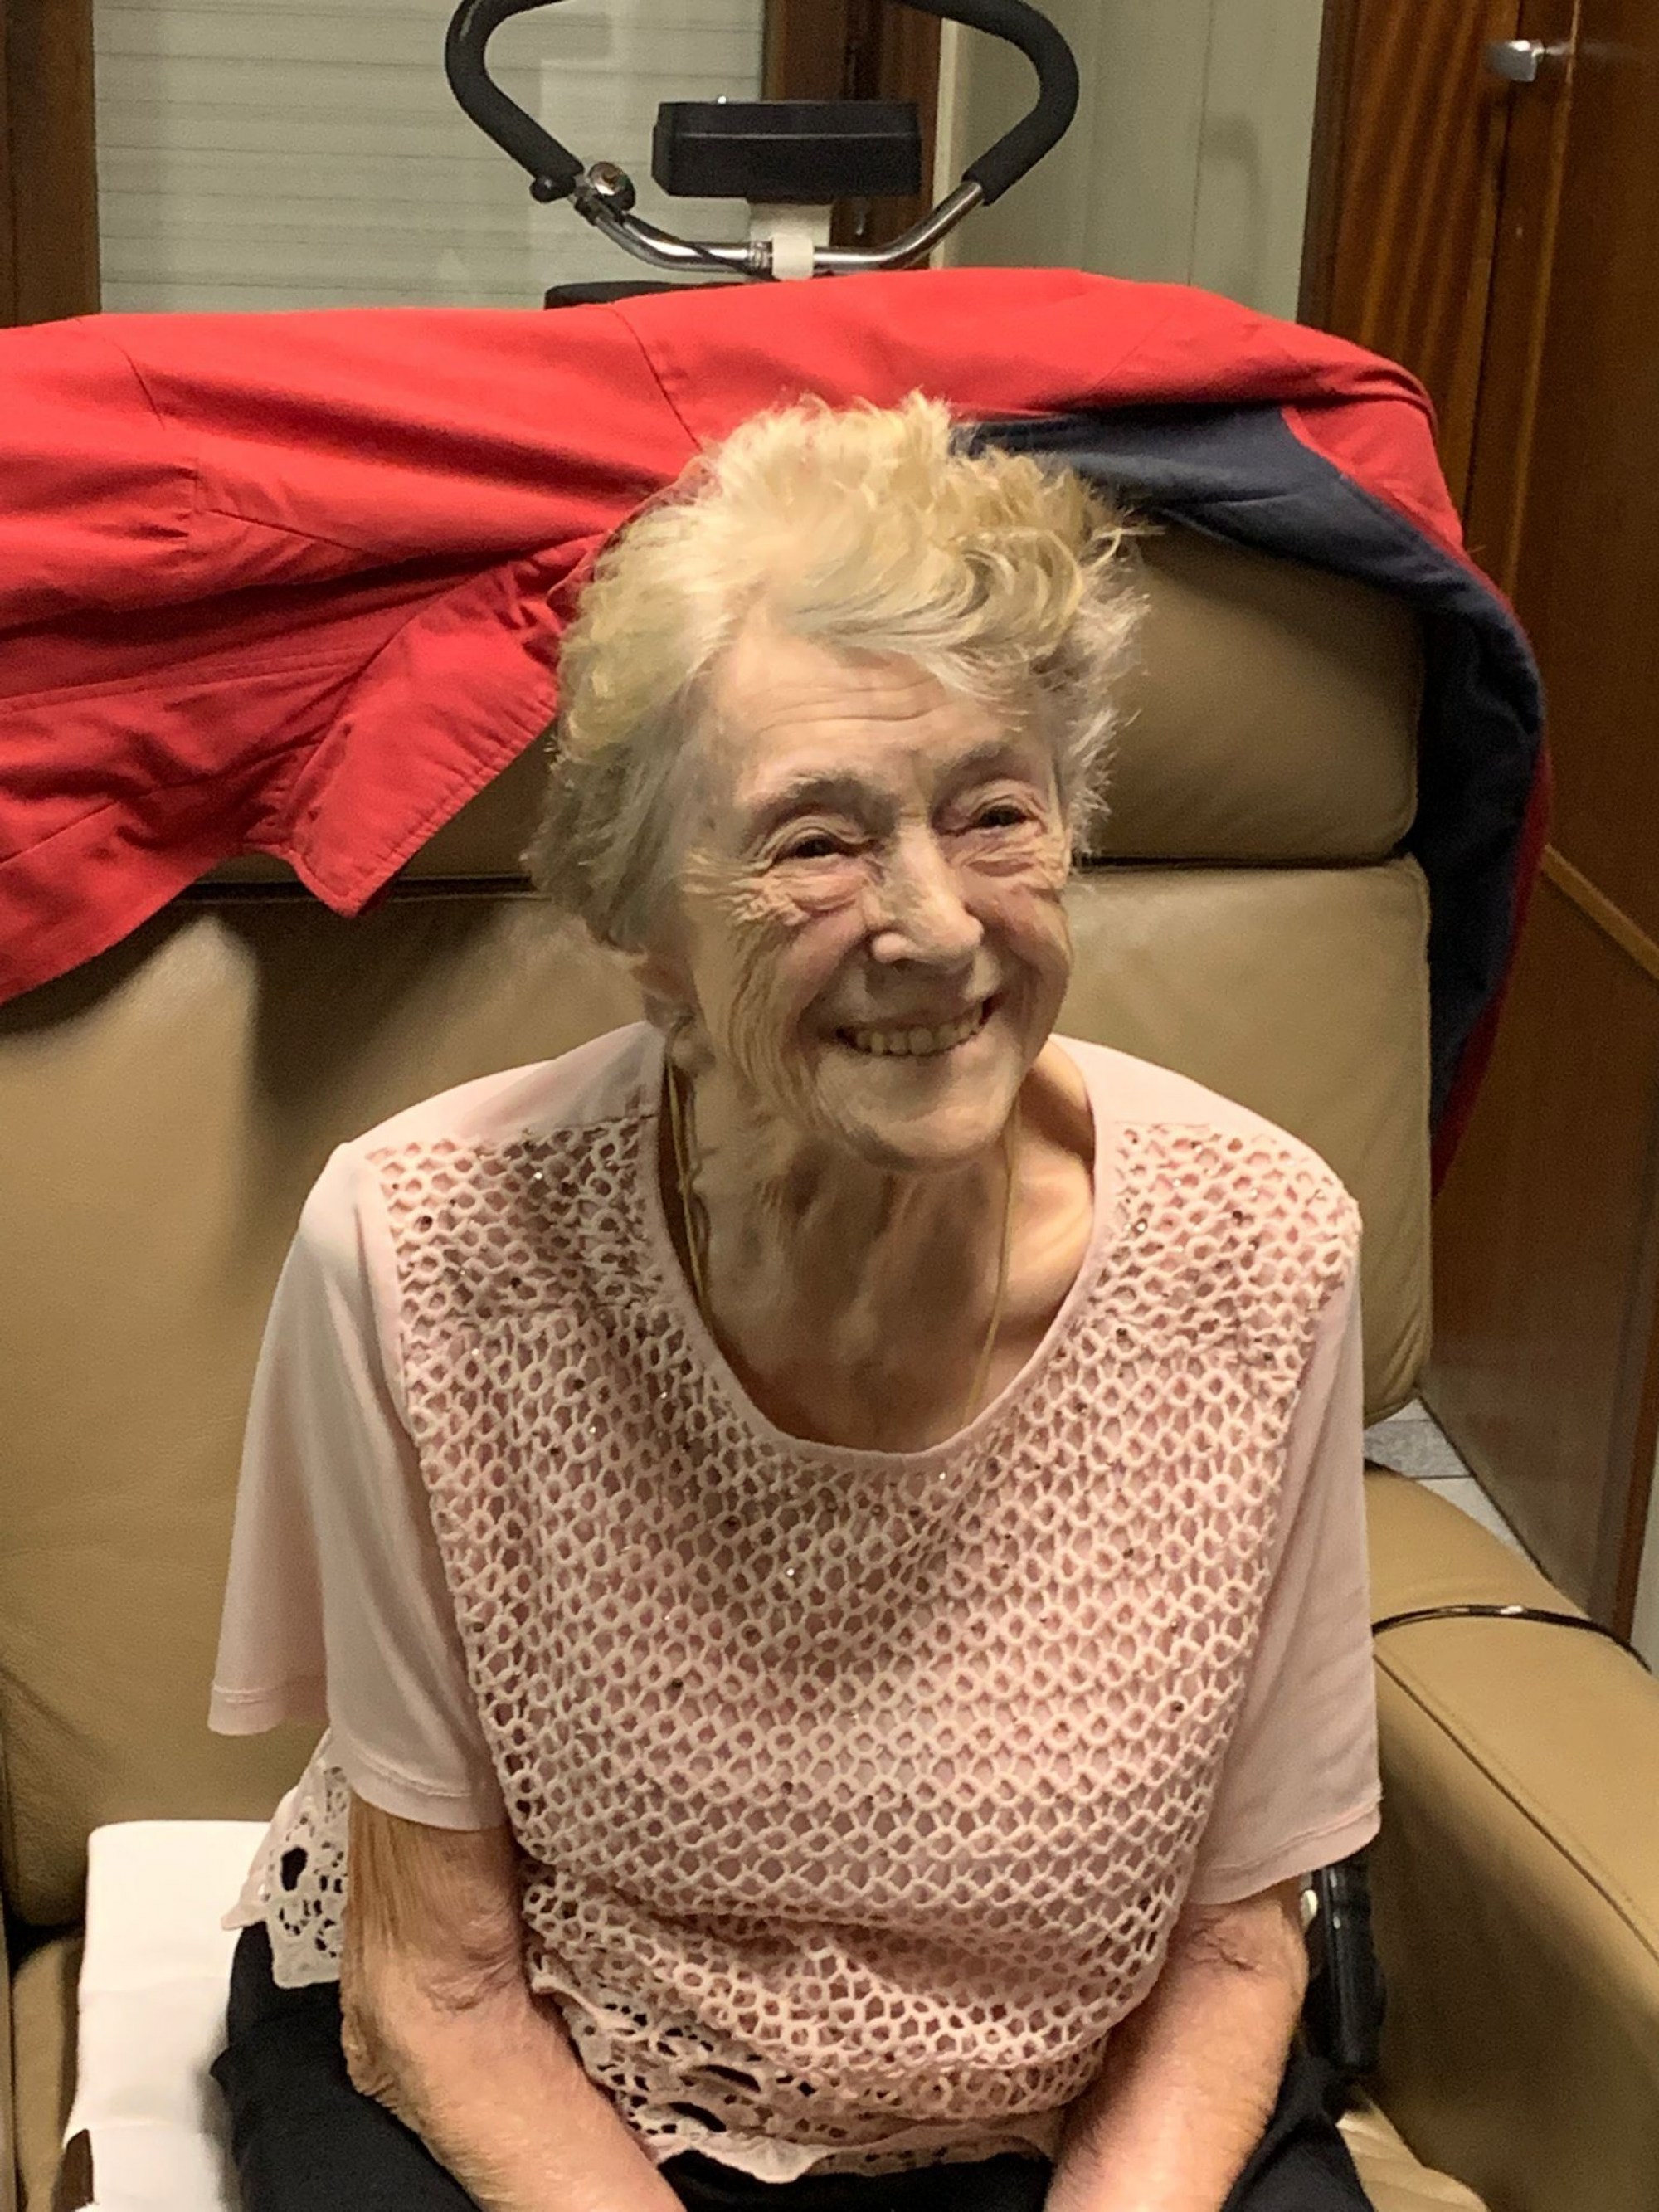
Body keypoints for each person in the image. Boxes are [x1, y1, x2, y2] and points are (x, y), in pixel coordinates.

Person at [207, 394, 1380, 2212]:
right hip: (547, 2057)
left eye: (995, 813)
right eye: (814, 841)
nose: (936, 925)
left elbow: (1234, 1952)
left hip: (1067, 2093)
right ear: (644, 920)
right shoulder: (425, 1252)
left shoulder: (1260, 1249)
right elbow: (440, 1984)